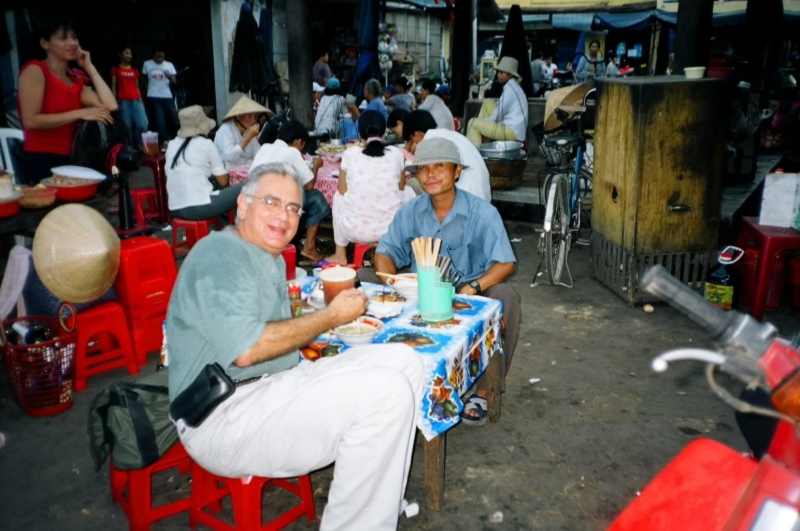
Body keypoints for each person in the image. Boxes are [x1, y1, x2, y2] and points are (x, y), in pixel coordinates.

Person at [167, 161, 425, 531]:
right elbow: (247, 348)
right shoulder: (220, 255)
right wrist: (329, 317)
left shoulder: (262, 254)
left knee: (405, 361)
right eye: (271, 202)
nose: (284, 216)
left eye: (292, 208)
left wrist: (313, 316)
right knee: (385, 393)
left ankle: (376, 497)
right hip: (222, 417)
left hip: (271, 386)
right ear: (242, 205)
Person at [358, 137, 519, 426]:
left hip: (469, 291)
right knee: (365, 277)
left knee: (506, 295)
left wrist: (474, 288)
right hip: (419, 289)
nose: (430, 174)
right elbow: (384, 253)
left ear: (457, 171)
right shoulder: (411, 210)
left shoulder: (481, 213)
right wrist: (396, 283)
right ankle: (384, 373)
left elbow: (506, 263)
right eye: (424, 169)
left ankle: (483, 389)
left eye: (440, 166)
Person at [17, 16, 118, 185]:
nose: (73, 43)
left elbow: (110, 105)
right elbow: (30, 120)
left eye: (74, 37)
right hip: (41, 159)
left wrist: (89, 67)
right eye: (63, 38)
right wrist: (80, 113)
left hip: (73, 160)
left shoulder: (74, 82)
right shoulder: (35, 70)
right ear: (44, 44)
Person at [325, 111, 411, 265]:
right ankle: (408, 249)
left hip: (356, 230)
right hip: (392, 231)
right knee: (409, 192)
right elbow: (402, 186)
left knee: (338, 197)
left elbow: (342, 189)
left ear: (360, 133)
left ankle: (340, 254)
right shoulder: (396, 154)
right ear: (384, 133)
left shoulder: (350, 154)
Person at [250, 120, 330, 263]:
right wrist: (316, 166)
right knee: (316, 198)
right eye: (303, 144)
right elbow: (309, 185)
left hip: (256, 199)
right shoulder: (292, 152)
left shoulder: (265, 147)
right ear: (298, 141)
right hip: (275, 203)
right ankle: (309, 248)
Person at [166, 105, 241, 220]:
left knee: (211, 184)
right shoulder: (206, 144)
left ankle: (222, 225)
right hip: (199, 208)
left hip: (175, 208)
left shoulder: (172, 144)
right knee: (247, 186)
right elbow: (223, 181)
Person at [404, 109, 491, 201]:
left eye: (412, 138)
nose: (414, 142)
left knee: (412, 183)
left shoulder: (431, 142)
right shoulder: (449, 134)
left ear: (418, 134)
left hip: (463, 201)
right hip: (483, 197)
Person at [466, 57, 528, 147]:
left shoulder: (510, 90)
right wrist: (484, 123)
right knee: (488, 102)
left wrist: (483, 122)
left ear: (510, 74)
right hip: (512, 126)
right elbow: (499, 107)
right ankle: (484, 139)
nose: (498, 75)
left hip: (512, 131)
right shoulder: (513, 86)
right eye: (498, 72)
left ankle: (475, 153)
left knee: (473, 123)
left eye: (501, 72)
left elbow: (498, 115)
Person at [214, 96, 273, 171]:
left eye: (255, 116)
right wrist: (248, 137)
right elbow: (230, 157)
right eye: (249, 116)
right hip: (228, 174)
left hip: (247, 172)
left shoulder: (248, 130)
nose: (253, 120)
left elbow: (258, 154)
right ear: (238, 116)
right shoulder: (225, 130)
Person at [111, 45, 148, 148]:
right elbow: (114, 86)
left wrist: (141, 101)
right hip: (123, 101)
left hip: (136, 100)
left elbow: (137, 86)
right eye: (126, 53)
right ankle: (129, 148)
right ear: (120, 55)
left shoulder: (135, 68)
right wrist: (114, 102)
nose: (129, 55)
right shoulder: (116, 68)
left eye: (130, 53)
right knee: (126, 126)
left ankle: (140, 145)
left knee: (143, 124)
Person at [142, 47, 179, 144]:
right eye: (157, 56)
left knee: (174, 120)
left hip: (167, 96)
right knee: (159, 121)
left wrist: (170, 77)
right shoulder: (147, 64)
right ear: (153, 56)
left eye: (162, 56)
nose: (160, 58)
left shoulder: (169, 65)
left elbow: (174, 82)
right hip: (154, 96)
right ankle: (164, 142)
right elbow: (144, 80)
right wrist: (147, 92)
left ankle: (174, 139)